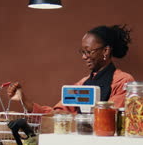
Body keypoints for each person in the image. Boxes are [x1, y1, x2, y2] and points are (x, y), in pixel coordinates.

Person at [7, 24, 135, 113]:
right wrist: (26, 102)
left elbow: (111, 117)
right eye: (82, 52)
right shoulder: (82, 84)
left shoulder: (123, 81)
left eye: (88, 52)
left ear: (105, 51)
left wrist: (75, 118)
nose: (84, 57)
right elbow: (58, 115)